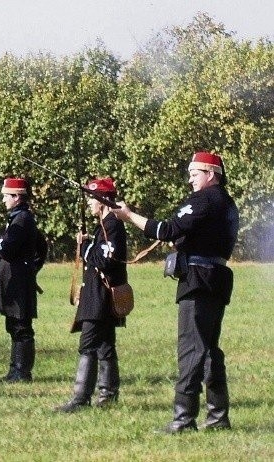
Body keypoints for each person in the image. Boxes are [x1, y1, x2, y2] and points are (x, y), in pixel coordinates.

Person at [112, 151, 239, 433]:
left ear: (211, 175)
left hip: (199, 280)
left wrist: (129, 215)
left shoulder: (206, 199)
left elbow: (166, 229)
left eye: (195, 174)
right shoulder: (225, 202)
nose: (190, 180)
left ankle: (183, 420)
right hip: (214, 278)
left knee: (191, 349)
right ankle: (218, 418)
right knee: (207, 351)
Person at [55, 178, 128, 412]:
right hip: (96, 294)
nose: (88, 203)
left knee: (88, 345)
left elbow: (106, 259)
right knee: (105, 345)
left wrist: (86, 248)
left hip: (101, 296)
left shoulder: (113, 225)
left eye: (91, 198)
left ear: (102, 201)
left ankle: (80, 398)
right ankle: (107, 395)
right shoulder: (104, 224)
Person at [0, 177, 47, 383]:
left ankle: (21, 371)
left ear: (17, 197)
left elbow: (8, 251)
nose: (3, 200)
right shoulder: (18, 218)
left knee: (21, 327)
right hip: (18, 279)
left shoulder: (22, 219)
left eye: (6, 196)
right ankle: (15, 370)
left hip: (19, 281)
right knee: (14, 326)